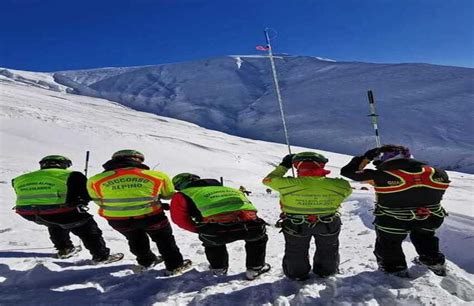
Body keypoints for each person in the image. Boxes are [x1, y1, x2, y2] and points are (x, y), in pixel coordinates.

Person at [340, 144, 450, 277]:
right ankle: (434, 261)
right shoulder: (438, 173)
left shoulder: (381, 176)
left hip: (393, 219)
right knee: (424, 236)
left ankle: (394, 268)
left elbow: (347, 172)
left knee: (389, 243)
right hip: (429, 216)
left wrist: (367, 157)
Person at [87, 150, 190, 274]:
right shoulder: (157, 175)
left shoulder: (95, 179)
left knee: (135, 239)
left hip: (118, 220)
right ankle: (174, 266)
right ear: (139, 160)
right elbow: (168, 195)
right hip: (152, 216)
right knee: (164, 240)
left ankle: (146, 261)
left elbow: (98, 200)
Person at [263, 152, 352, 280]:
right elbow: (347, 192)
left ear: (297, 166)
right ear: (322, 165)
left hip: (295, 224)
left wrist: (284, 166)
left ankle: (297, 274)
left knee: (296, 250)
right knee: (328, 248)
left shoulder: (285, 183)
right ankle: (326, 271)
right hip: (328, 223)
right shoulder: (341, 185)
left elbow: (267, 180)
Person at [12, 155, 114, 262]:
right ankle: (101, 256)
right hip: (59, 212)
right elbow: (86, 195)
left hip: (29, 213)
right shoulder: (72, 175)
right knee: (88, 229)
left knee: (53, 223)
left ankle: (65, 249)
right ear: (63, 164)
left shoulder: (19, 179)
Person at [170, 173, 270, 280]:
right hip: (251, 226)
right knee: (257, 240)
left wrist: (200, 230)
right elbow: (249, 209)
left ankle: (219, 269)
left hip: (216, 230)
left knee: (213, 243)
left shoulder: (183, 194)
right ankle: (255, 268)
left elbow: (179, 219)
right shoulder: (231, 189)